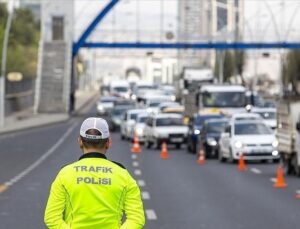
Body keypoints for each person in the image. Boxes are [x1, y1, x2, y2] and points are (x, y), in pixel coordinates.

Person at [44, 117, 145, 229]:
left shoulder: (65, 174)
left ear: (80, 141)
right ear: (108, 143)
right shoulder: (123, 175)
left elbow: (51, 217)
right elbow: (136, 218)